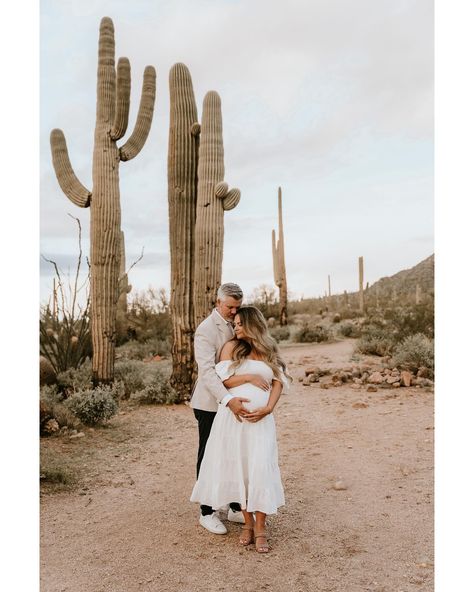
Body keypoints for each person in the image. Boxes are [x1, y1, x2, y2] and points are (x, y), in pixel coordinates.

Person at [190, 306, 290, 553]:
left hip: (261, 420)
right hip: (234, 419)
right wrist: (247, 378)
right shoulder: (231, 348)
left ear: (252, 323)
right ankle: (247, 525)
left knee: (260, 467)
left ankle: (261, 528)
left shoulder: (269, 350)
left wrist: (268, 408)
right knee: (241, 469)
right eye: (233, 324)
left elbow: (279, 382)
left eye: (239, 324)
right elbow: (221, 381)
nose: (235, 328)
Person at [190, 283, 258, 535]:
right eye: (229, 306)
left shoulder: (240, 322)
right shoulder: (206, 330)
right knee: (209, 454)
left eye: (237, 307)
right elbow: (207, 372)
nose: (233, 312)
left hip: (235, 401)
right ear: (218, 302)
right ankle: (206, 512)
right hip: (210, 403)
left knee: (233, 453)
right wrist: (228, 400)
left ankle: (233, 506)